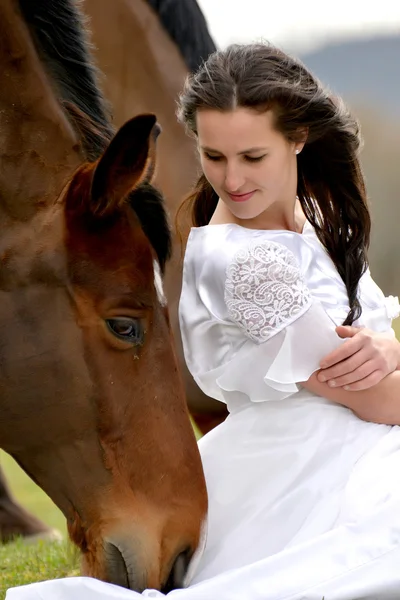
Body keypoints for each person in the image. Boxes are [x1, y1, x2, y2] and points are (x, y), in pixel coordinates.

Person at [7, 42, 400, 600]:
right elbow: (366, 397)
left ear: (298, 139)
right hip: (311, 456)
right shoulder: (241, 263)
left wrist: (387, 351)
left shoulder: (317, 217)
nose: (232, 179)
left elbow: (375, 343)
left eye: (252, 157)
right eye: (214, 157)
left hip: (350, 438)